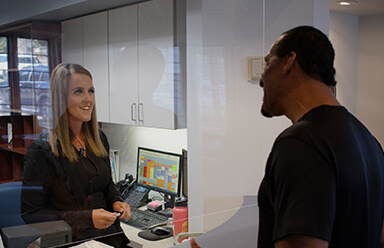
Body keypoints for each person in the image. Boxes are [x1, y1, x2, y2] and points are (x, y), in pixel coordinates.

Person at [257, 26, 384, 247]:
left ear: (289, 62)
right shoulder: (368, 141)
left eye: (267, 63)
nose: (261, 80)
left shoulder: (300, 144)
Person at [21, 63, 131, 247]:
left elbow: (107, 185)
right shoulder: (42, 150)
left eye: (91, 91)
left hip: (108, 238)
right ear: (60, 99)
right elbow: (31, 215)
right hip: (69, 242)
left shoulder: (99, 139)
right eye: (78, 92)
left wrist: (116, 201)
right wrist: (87, 218)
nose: (88, 99)